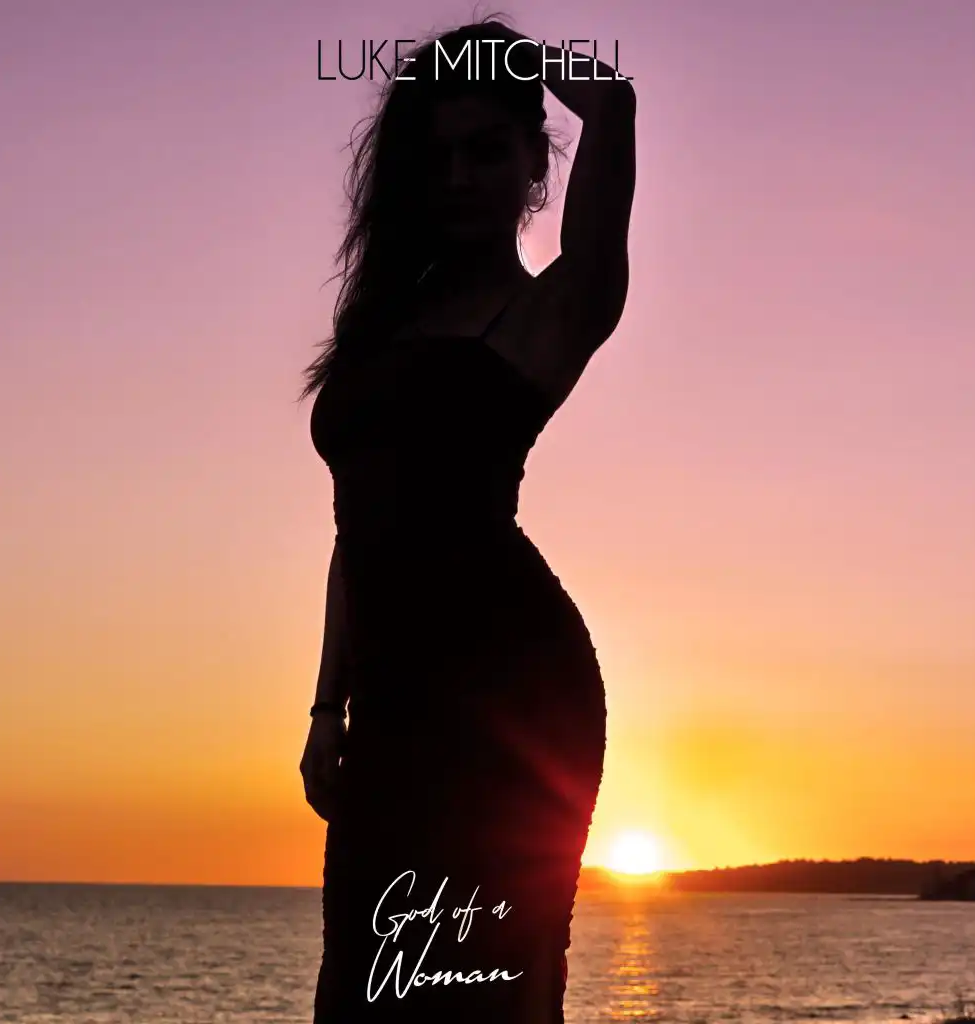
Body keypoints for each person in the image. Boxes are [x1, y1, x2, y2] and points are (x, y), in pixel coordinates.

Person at [298, 18, 635, 1023]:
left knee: (492, 989)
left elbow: (614, 103)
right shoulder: (384, 321)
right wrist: (326, 707)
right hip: (390, 710)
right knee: (360, 992)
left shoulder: (553, 312)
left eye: (487, 149)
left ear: (537, 161)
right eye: (436, 156)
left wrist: (517, 60)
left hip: (514, 702)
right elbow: (357, 531)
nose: (457, 177)